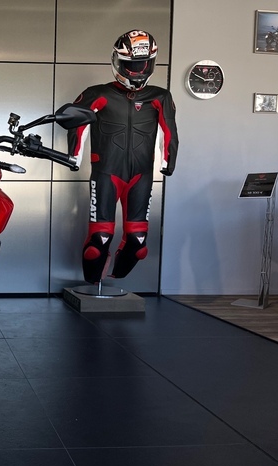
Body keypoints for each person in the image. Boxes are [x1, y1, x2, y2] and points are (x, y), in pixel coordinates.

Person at [60, 29, 179, 284]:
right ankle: (93, 283)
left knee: (138, 242)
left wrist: (169, 161)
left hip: (141, 176)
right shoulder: (97, 93)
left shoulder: (160, 96)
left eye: (142, 65)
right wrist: (74, 156)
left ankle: (115, 277)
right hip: (106, 173)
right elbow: (76, 122)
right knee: (99, 240)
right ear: (118, 62)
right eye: (131, 65)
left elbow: (169, 130)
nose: (137, 71)